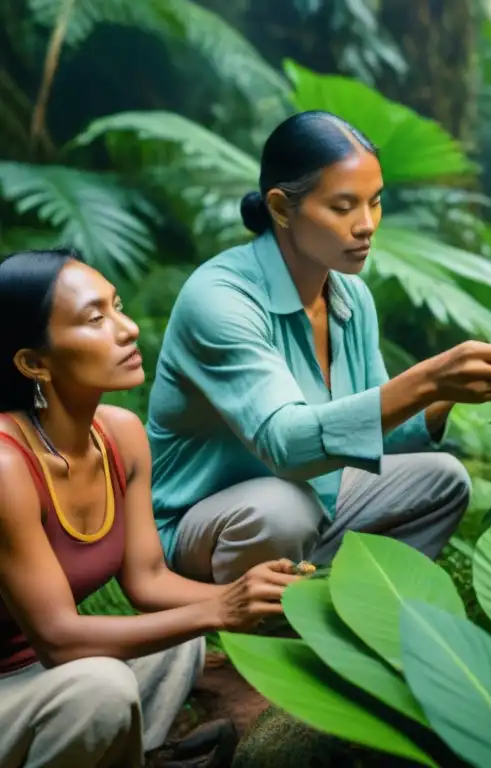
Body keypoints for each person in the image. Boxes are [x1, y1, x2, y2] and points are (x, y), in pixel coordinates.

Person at [147, 110, 491, 586]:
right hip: (204, 524)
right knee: (285, 509)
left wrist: (441, 395)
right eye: (344, 206)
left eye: (375, 202)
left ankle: (342, 612)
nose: (367, 225)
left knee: (443, 480)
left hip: (313, 500)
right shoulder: (220, 299)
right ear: (282, 208)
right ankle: (256, 632)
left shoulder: (349, 296)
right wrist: (428, 377)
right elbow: (285, 445)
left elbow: (370, 436)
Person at [0, 249, 305, 767]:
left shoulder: (119, 433)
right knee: (102, 685)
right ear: (34, 362)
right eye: (95, 319)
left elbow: (147, 581)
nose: (128, 329)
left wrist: (249, 597)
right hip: (20, 682)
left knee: (177, 639)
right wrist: (219, 610)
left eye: (117, 306)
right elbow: (56, 639)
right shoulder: (7, 466)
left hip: (44, 677)